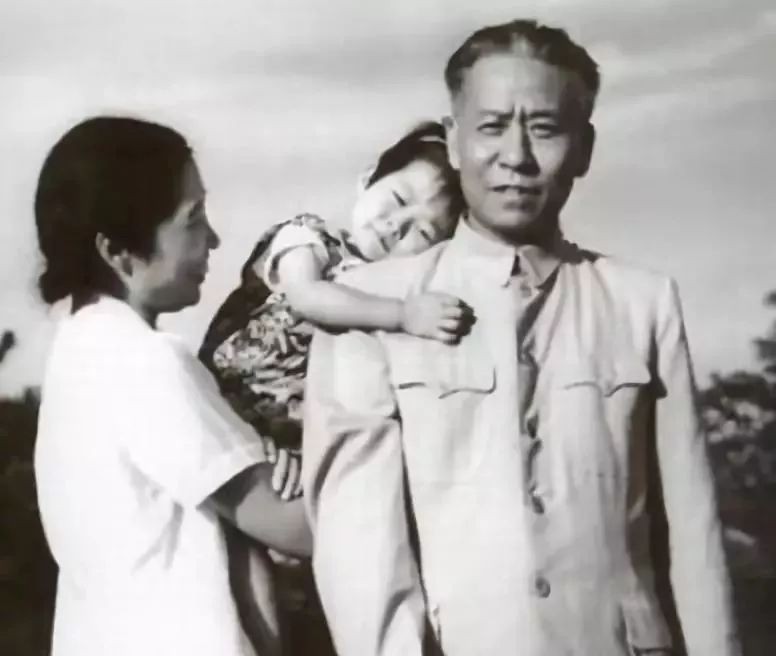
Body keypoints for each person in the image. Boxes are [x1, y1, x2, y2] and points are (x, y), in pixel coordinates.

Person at [302, 19, 741, 656]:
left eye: (544, 128)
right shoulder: (370, 308)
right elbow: (358, 552)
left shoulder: (643, 303)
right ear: (454, 142)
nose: (516, 156)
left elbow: (694, 534)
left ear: (584, 148)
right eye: (491, 127)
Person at [33, 116, 310, 656]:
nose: (214, 239)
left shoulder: (78, 352)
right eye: (194, 219)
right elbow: (294, 527)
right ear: (119, 252)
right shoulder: (141, 360)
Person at [198, 120, 469, 654]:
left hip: (293, 450)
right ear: (367, 179)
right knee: (241, 577)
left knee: (281, 590)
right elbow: (308, 297)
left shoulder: (384, 293)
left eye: (422, 232)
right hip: (229, 410)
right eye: (397, 200)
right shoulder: (309, 238)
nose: (396, 226)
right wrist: (403, 314)